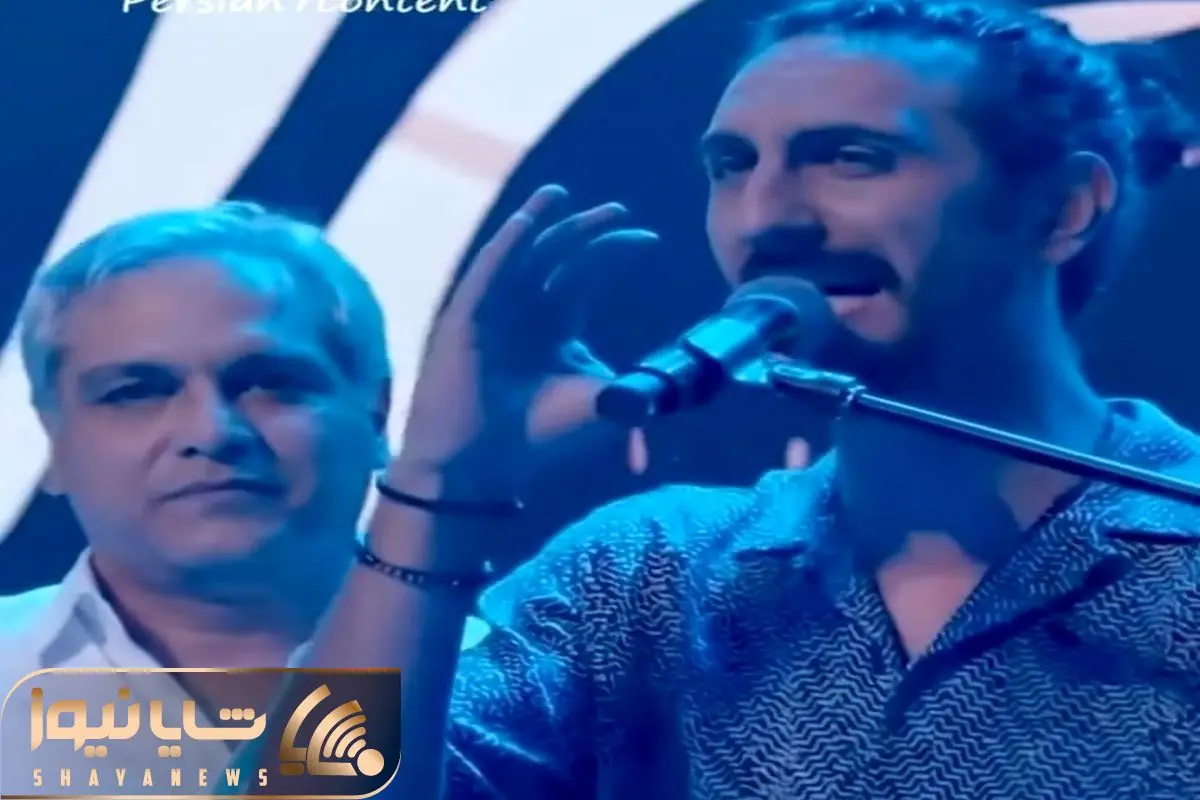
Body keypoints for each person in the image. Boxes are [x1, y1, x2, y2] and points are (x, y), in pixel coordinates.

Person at [292, 1, 1200, 798]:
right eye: (731, 166)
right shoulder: (644, 570)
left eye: (851, 158)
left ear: (1064, 207)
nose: (766, 219)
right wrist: (440, 485)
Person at [0, 201, 394, 786]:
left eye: (269, 383)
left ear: (377, 416)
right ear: (54, 441)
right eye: (136, 391)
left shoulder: (524, 689)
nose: (211, 432)